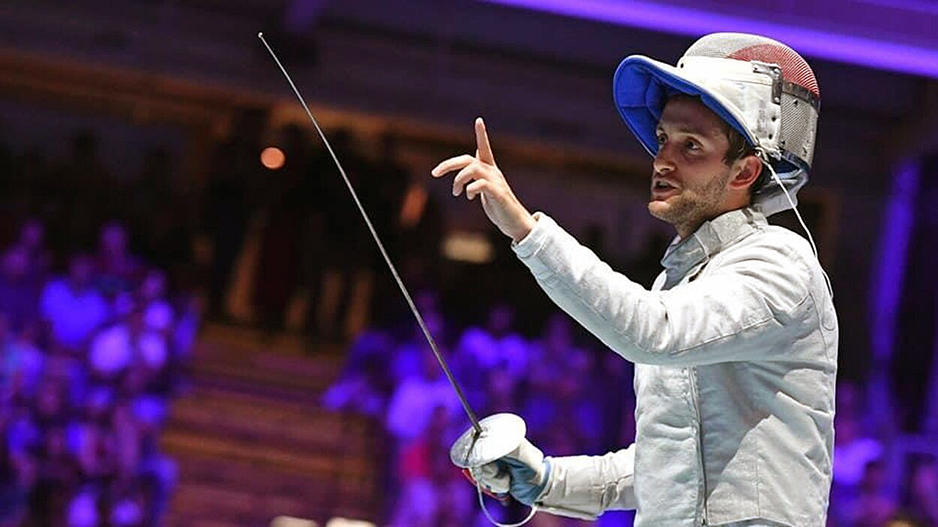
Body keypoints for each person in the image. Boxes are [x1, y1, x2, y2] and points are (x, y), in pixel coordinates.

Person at [431, 33, 838, 526]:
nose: (663, 160)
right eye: (664, 138)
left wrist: (526, 229)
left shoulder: (780, 265)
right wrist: (546, 479)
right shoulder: (678, 285)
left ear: (744, 171)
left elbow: (654, 332)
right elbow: (670, 465)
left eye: (692, 146)